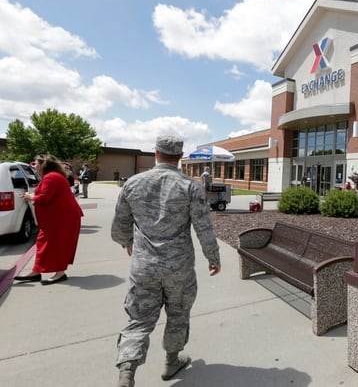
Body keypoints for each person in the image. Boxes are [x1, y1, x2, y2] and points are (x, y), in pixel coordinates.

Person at [111, 135, 221, 387]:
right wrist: (212, 257)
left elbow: (119, 226)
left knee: (139, 319)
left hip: (144, 266)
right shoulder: (190, 186)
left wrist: (127, 241)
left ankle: (127, 371)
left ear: (156, 154)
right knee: (178, 314)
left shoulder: (133, 184)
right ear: (180, 157)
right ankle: (172, 360)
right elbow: (203, 227)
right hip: (178, 267)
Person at [14, 154, 84, 285]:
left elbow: (45, 197)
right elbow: (48, 194)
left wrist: (31, 196)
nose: (34, 166)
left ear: (43, 165)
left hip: (62, 218)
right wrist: (34, 195)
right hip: (58, 217)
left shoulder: (51, 177)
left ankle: (60, 273)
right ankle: (36, 271)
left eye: (36, 164)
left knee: (58, 244)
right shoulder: (52, 176)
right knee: (44, 243)